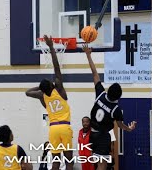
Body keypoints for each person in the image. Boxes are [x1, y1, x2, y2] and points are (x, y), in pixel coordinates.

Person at [82, 45, 136, 170]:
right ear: (119, 96)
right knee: (102, 164)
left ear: (108, 90)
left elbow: (94, 73)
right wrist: (129, 128)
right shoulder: (115, 110)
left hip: (92, 134)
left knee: (99, 164)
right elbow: (121, 125)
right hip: (102, 136)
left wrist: (88, 55)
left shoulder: (100, 93)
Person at [25, 35, 74, 170]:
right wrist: (51, 47)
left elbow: (27, 92)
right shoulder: (59, 90)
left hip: (53, 129)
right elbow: (56, 67)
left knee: (56, 162)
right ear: (52, 85)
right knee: (69, 161)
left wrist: (40, 88)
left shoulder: (42, 96)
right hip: (64, 127)